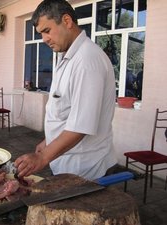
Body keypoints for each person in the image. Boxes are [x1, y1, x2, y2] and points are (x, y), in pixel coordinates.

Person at [15, 0, 117, 180]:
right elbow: (67, 111)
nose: (44, 39)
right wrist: (49, 141)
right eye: (41, 34)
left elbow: (80, 126)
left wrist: (42, 157)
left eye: (47, 31)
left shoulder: (86, 61)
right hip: (66, 162)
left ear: (67, 21)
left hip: (84, 169)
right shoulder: (68, 56)